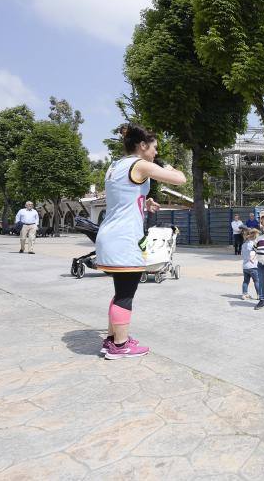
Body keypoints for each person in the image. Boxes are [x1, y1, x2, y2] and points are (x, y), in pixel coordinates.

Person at [96, 124, 187, 360]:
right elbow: (180, 179)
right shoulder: (141, 164)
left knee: (120, 292)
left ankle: (111, 340)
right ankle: (120, 346)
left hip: (111, 236)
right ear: (143, 145)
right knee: (125, 294)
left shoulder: (116, 166)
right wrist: (167, 166)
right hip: (124, 239)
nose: (156, 153)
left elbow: (122, 198)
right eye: (155, 148)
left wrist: (144, 204)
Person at [241, 228, 260, 300]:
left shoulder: (243, 245)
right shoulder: (254, 244)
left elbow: (242, 255)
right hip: (253, 266)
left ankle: (244, 294)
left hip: (245, 266)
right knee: (256, 280)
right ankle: (259, 294)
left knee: (245, 281)